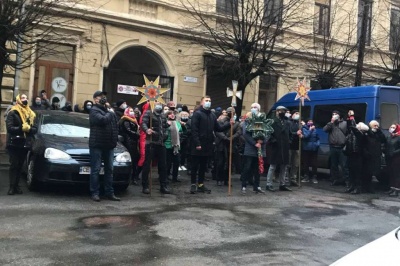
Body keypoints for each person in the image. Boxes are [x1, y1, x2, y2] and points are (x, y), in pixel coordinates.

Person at [189, 96, 232, 194]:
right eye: (206, 101)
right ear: (202, 103)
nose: (208, 102)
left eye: (210, 101)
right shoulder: (197, 114)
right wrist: (197, 143)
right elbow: (194, 130)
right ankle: (193, 184)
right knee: (195, 165)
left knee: (203, 166)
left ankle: (200, 184)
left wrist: (229, 124)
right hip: (198, 144)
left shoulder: (212, 115)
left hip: (207, 145)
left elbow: (218, 128)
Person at [89, 91, 120, 202]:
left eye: (104, 97)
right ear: (95, 99)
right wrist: (111, 112)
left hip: (109, 145)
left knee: (109, 170)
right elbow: (103, 120)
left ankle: (109, 192)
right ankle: (95, 193)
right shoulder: (94, 110)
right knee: (96, 169)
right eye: (100, 97)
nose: (103, 98)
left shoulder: (108, 110)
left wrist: (115, 140)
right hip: (97, 144)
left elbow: (115, 125)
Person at [6, 94, 37, 195]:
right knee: (14, 165)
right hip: (14, 143)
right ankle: (12, 186)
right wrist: (20, 128)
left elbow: (35, 128)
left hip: (25, 143)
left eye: (26, 98)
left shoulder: (30, 113)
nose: (25, 100)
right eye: (23, 98)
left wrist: (29, 129)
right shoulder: (13, 112)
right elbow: (9, 128)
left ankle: (17, 186)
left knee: (20, 165)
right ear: (18, 100)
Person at [240, 103, 273, 194]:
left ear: (259, 109)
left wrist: (263, 141)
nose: (253, 109)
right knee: (247, 167)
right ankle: (243, 185)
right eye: (252, 107)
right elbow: (245, 133)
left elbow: (268, 132)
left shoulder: (263, 120)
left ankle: (257, 186)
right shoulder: (248, 120)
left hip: (260, 148)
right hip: (250, 148)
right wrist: (255, 143)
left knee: (258, 168)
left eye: (255, 107)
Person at [141, 101, 171, 194]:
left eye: (160, 103)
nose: (159, 104)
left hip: (161, 143)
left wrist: (166, 132)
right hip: (151, 142)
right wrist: (147, 130)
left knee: (163, 165)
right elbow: (143, 123)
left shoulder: (162, 115)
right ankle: (145, 186)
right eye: (157, 103)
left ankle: (163, 186)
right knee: (147, 165)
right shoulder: (148, 112)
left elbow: (164, 127)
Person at [265, 106, 292, 192]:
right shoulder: (273, 122)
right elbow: (268, 133)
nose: (282, 112)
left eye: (283, 111)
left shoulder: (287, 122)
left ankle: (282, 184)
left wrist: (289, 141)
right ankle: (268, 184)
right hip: (276, 146)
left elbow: (290, 133)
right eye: (280, 111)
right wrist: (273, 140)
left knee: (284, 166)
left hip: (285, 147)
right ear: (277, 112)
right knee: (273, 166)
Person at [323, 110, 347, 186]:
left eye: (336, 114)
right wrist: (331, 122)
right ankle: (334, 180)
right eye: (333, 114)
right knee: (334, 165)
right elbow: (325, 130)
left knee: (344, 165)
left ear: (339, 115)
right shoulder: (331, 124)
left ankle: (346, 181)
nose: (334, 115)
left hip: (342, 147)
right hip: (333, 147)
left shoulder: (344, 123)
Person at [362, 120, 386, 192]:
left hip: (376, 156)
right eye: (374, 126)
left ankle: (370, 188)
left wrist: (379, 131)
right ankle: (365, 187)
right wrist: (365, 152)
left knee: (374, 172)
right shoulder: (367, 134)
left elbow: (383, 140)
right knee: (367, 173)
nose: (376, 127)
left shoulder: (378, 134)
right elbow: (363, 144)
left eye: (377, 126)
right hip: (368, 156)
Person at [118, 107, 140, 185]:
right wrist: (138, 135)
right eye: (130, 111)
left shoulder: (133, 120)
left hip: (133, 142)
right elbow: (128, 131)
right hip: (129, 142)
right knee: (132, 160)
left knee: (135, 159)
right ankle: (132, 177)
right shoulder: (125, 120)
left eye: (132, 111)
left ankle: (134, 176)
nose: (132, 112)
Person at [165, 110, 182, 182]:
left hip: (176, 146)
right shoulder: (165, 122)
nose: (172, 115)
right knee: (167, 163)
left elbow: (181, 131)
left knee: (177, 162)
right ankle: (165, 177)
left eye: (173, 114)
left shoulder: (177, 123)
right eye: (170, 114)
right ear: (167, 115)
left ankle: (175, 177)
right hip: (167, 145)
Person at [301, 118, 320, 184]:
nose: (310, 122)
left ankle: (314, 176)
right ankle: (306, 176)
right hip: (306, 148)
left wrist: (317, 144)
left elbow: (318, 138)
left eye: (311, 121)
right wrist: (310, 130)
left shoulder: (315, 129)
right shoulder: (304, 129)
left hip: (314, 148)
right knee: (306, 163)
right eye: (309, 121)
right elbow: (306, 136)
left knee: (314, 163)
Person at [385, 124, 400, 197]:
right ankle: (392, 188)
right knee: (391, 173)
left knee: (396, 174)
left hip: (397, 158)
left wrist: (394, 152)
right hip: (389, 157)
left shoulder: (399, 137)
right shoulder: (389, 136)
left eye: (394, 127)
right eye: (391, 127)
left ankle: (397, 189)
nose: (392, 128)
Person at [287, 109, 301, 186]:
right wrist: (296, 133)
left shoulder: (299, 123)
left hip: (297, 146)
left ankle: (293, 178)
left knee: (295, 164)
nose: (297, 115)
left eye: (298, 113)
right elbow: (289, 133)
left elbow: (303, 132)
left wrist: (302, 135)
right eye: (296, 113)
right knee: (288, 163)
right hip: (290, 145)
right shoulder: (289, 122)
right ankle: (285, 179)